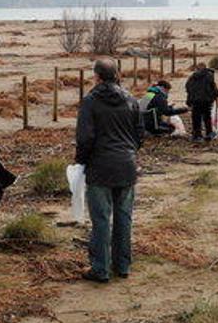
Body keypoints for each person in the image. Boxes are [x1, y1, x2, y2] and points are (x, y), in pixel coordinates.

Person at [75, 59, 144, 283]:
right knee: (124, 217)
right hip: (126, 164)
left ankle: (100, 268)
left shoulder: (90, 102)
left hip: (100, 166)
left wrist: (81, 162)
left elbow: (85, 138)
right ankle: (122, 265)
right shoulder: (131, 100)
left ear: (97, 76)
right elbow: (139, 134)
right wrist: (129, 151)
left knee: (101, 219)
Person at [185, 64, 218, 142]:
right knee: (207, 117)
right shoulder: (209, 76)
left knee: (196, 118)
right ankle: (209, 133)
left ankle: (197, 135)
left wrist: (189, 100)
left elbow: (188, 88)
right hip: (206, 100)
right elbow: (213, 88)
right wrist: (215, 95)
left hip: (195, 101)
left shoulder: (192, 77)